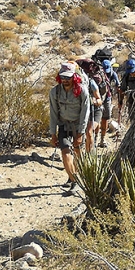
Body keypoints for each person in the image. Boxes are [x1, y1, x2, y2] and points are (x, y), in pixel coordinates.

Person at [49, 61, 90, 192]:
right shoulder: (54, 92)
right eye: (63, 77)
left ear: (74, 76)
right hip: (63, 126)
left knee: (78, 152)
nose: (65, 80)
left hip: (78, 126)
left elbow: (85, 112)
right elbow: (53, 113)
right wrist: (53, 134)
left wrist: (81, 133)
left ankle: (76, 176)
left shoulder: (82, 91)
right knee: (65, 153)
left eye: (68, 77)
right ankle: (74, 181)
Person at [98, 59, 120, 145]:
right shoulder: (98, 74)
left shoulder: (112, 73)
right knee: (96, 119)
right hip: (98, 98)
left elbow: (118, 84)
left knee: (105, 118)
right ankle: (95, 138)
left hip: (107, 98)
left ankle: (102, 139)